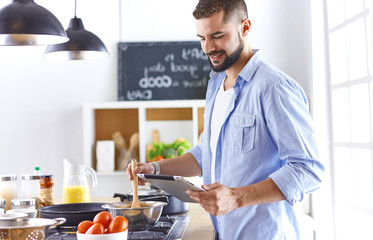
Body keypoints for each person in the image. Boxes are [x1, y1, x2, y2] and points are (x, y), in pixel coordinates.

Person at [127, 0, 324, 239]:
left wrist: (236, 198)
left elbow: (308, 169)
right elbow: (205, 155)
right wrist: (156, 169)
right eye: (201, 38)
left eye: (217, 35)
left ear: (245, 27)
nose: (208, 47)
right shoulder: (215, 85)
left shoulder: (274, 88)